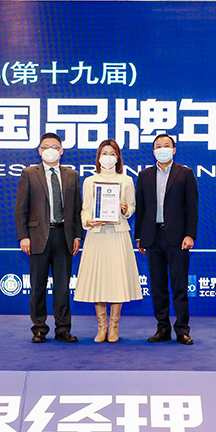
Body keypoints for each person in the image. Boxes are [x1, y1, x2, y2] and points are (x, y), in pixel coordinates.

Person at [15, 132, 83, 343]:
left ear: (61, 151)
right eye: (46, 147)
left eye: (55, 146)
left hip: (64, 235)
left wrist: (77, 235)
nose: (50, 150)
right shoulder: (29, 174)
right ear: (39, 151)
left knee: (62, 286)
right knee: (38, 285)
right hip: (37, 236)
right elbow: (21, 209)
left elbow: (77, 208)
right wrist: (23, 236)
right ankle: (39, 328)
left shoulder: (72, 175)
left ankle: (63, 328)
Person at [74, 139, 142, 343]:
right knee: (99, 279)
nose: (108, 157)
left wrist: (125, 209)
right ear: (98, 157)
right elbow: (86, 208)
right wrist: (88, 221)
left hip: (118, 234)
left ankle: (114, 326)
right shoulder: (89, 181)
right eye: (104, 153)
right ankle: (101, 326)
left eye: (112, 153)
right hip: (97, 235)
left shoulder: (126, 180)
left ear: (118, 157)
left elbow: (132, 207)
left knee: (117, 280)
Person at [134, 133, 199, 345]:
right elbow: (141, 208)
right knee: (158, 287)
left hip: (178, 238)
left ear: (174, 150)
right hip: (152, 237)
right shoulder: (144, 175)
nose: (163, 149)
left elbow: (192, 208)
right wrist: (139, 237)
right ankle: (162, 328)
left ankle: (182, 330)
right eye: (159, 146)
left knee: (179, 286)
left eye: (166, 145)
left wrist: (190, 234)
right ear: (153, 152)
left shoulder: (185, 173)